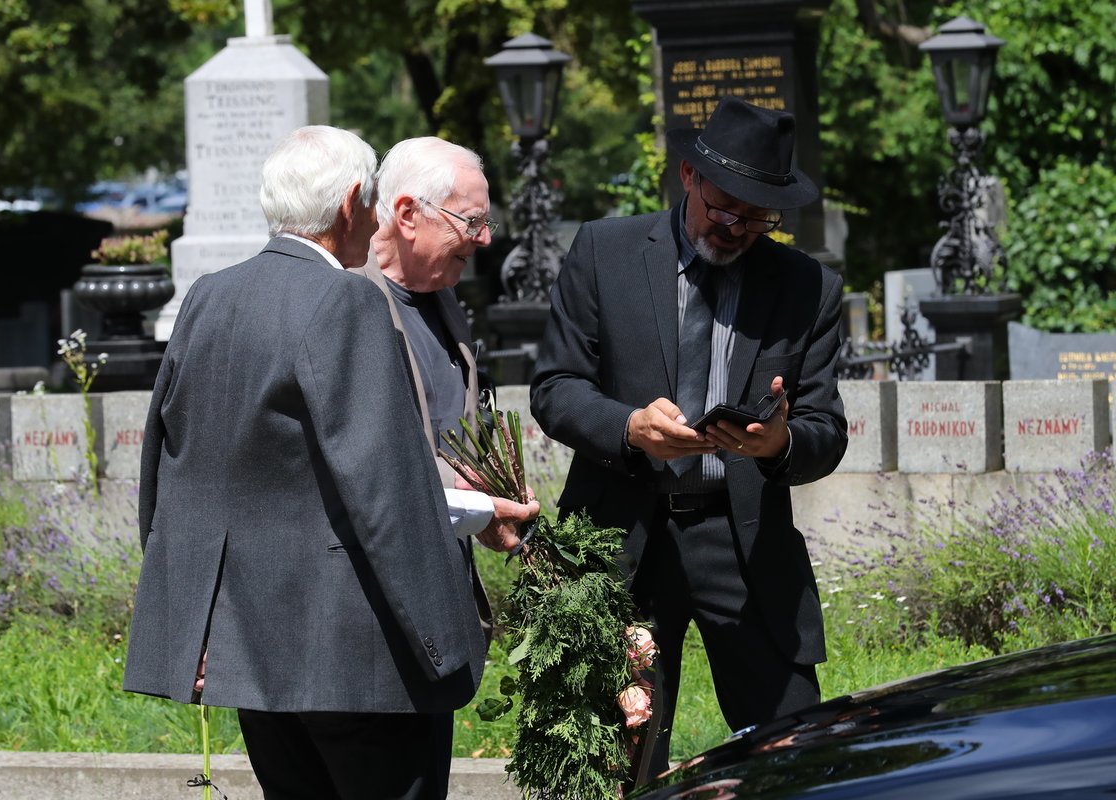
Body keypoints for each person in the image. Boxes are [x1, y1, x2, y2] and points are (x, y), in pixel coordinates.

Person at [123, 125, 529, 800]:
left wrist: (195, 621)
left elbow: (168, 467)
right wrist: (444, 648)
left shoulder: (208, 295)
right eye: (370, 202)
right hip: (360, 660)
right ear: (350, 204)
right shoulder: (348, 300)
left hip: (254, 657)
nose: (372, 219)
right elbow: (385, 490)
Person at [530, 96, 848, 776]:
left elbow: (826, 427)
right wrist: (628, 427)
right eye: (722, 208)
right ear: (688, 177)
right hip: (624, 541)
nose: (733, 229)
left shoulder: (807, 288)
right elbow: (554, 388)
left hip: (744, 544)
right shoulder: (603, 253)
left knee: (793, 756)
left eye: (755, 219)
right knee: (619, 761)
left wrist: (779, 447)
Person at [350, 135, 529, 560]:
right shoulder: (349, 301)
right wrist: (474, 504)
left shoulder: (442, 293)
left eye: (487, 223)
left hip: (447, 564)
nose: (484, 239)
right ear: (409, 214)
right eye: (471, 221)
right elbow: (366, 456)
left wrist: (493, 485)